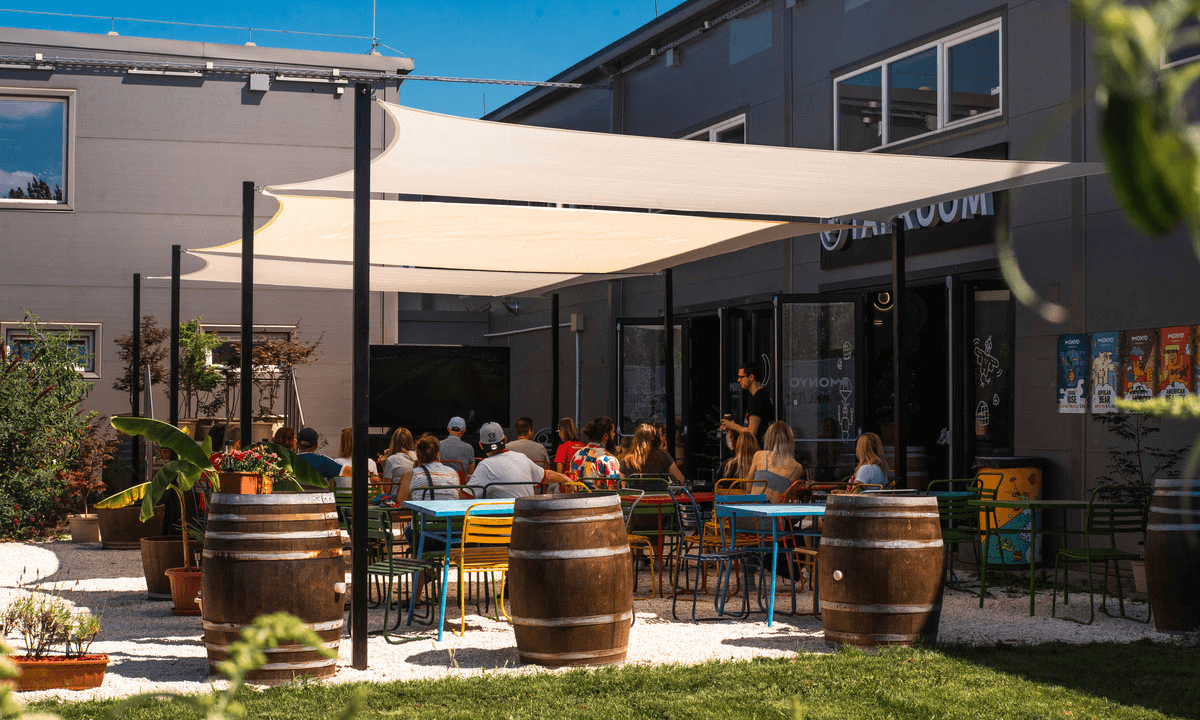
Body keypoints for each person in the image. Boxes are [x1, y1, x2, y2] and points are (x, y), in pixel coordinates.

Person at [467, 422, 570, 498]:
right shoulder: (522, 457)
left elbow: (466, 496)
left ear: (481, 445)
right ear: (505, 440)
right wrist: (565, 478)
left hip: (502, 521)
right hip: (525, 518)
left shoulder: (484, 466)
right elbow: (545, 475)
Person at [720, 361, 775, 448]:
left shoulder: (758, 398)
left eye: (741, 377)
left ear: (751, 377)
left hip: (759, 450)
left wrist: (733, 426)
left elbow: (751, 432)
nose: (738, 380)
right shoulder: (761, 395)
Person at [748, 421, 805, 502]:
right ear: (790, 440)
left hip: (755, 511)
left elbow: (748, 487)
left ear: (768, 438)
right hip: (778, 512)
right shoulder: (797, 468)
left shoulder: (759, 455)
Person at [395, 434, 461, 501]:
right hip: (449, 511)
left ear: (417, 456)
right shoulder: (454, 473)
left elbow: (403, 504)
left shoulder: (409, 476)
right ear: (438, 455)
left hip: (423, 511)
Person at [619, 422, 685, 484]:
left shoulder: (626, 460)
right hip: (661, 495)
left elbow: (623, 487)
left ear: (636, 440)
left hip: (636, 495)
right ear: (656, 440)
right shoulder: (664, 456)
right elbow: (681, 480)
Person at [570, 416, 622, 489]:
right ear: (606, 436)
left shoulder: (577, 455)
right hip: (599, 499)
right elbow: (614, 489)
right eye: (613, 432)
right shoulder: (609, 459)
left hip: (577, 499)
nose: (614, 435)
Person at [381, 427, 417, 498]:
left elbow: (386, 490)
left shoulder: (391, 460)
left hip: (398, 501)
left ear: (393, 441)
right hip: (415, 497)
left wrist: (384, 466)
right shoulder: (417, 455)